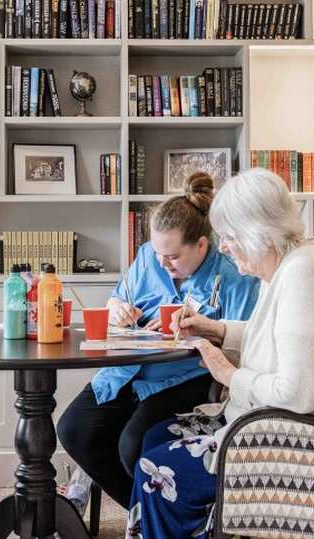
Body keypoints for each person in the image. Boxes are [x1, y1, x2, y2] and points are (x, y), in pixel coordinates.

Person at [119, 168, 314, 539]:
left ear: (258, 232)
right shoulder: (298, 263)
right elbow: (274, 340)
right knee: (153, 435)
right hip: (285, 425)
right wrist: (214, 328)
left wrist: (228, 372)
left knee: (157, 464)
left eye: (230, 236)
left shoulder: (302, 275)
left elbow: (297, 394)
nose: (223, 245)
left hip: (313, 439)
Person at [57, 172, 260, 511]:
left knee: (133, 444)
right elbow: (114, 302)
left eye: (173, 257)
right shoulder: (149, 257)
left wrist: (203, 331)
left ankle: (158, 522)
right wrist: (117, 309)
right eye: (157, 253)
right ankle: (144, 516)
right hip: (127, 370)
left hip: (185, 376)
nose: (162, 264)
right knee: (74, 429)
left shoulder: (233, 275)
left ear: (201, 245)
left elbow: (242, 347)